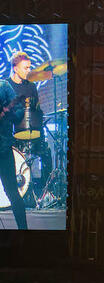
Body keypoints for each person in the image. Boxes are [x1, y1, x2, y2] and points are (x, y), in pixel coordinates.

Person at [6, 51, 50, 203]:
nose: (28, 71)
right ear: (15, 68)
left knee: (46, 151)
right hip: (11, 133)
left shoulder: (31, 86)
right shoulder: (6, 86)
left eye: (29, 68)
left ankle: (45, 193)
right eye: (25, 68)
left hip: (29, 129)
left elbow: (37, 111)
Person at [0, 52, 30, 229]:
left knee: (12, 191)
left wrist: (6, 111)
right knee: (12, 192)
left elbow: (19, 114)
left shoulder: (3, 86)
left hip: (2, 148)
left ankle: (24, 231)